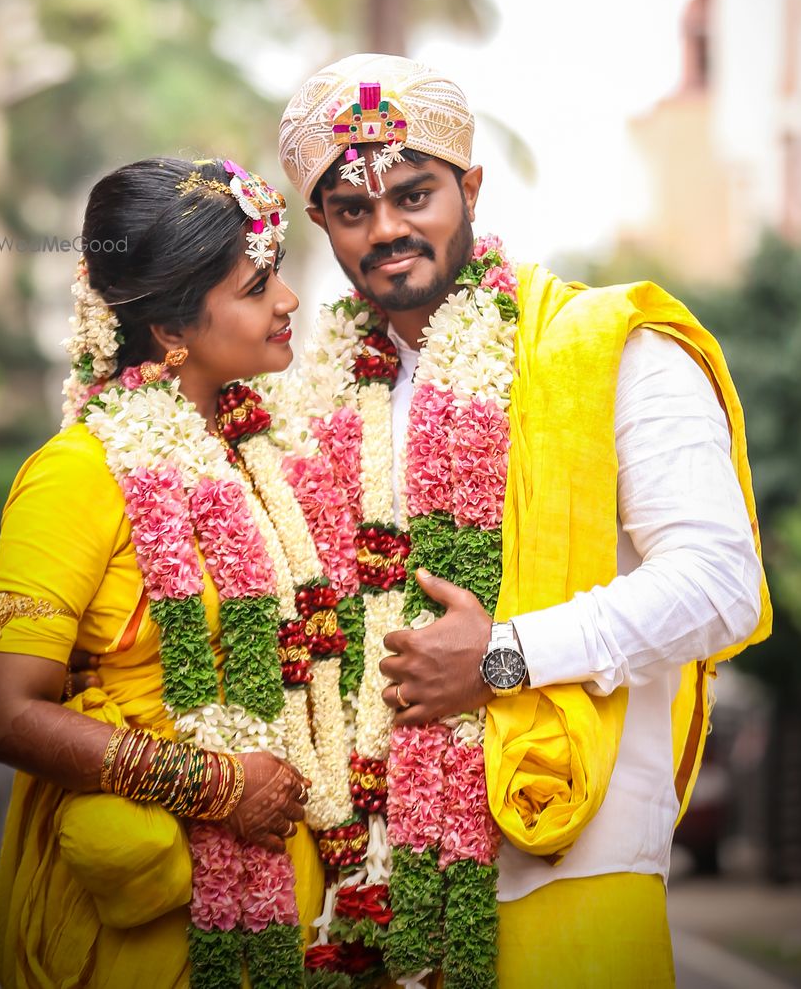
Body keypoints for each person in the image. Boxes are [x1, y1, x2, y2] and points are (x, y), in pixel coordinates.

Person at [276, 54, 772, 988]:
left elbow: (720, 586)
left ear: (469, 186)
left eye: (415, 194)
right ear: (323, 225)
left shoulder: (613, 354)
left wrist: (502, 656)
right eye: (352, 210)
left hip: (567, 845)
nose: (387, 229)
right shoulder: (313, 403)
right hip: (363, 888)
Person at [0, 156, 332, 989]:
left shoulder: (262, 458)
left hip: (288, 892)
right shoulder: (77, 473)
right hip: (152, 905)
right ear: (172, 330)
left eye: (276, 274)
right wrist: (214, 784)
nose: (285, 301)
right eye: (254, 287)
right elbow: (5, 715)